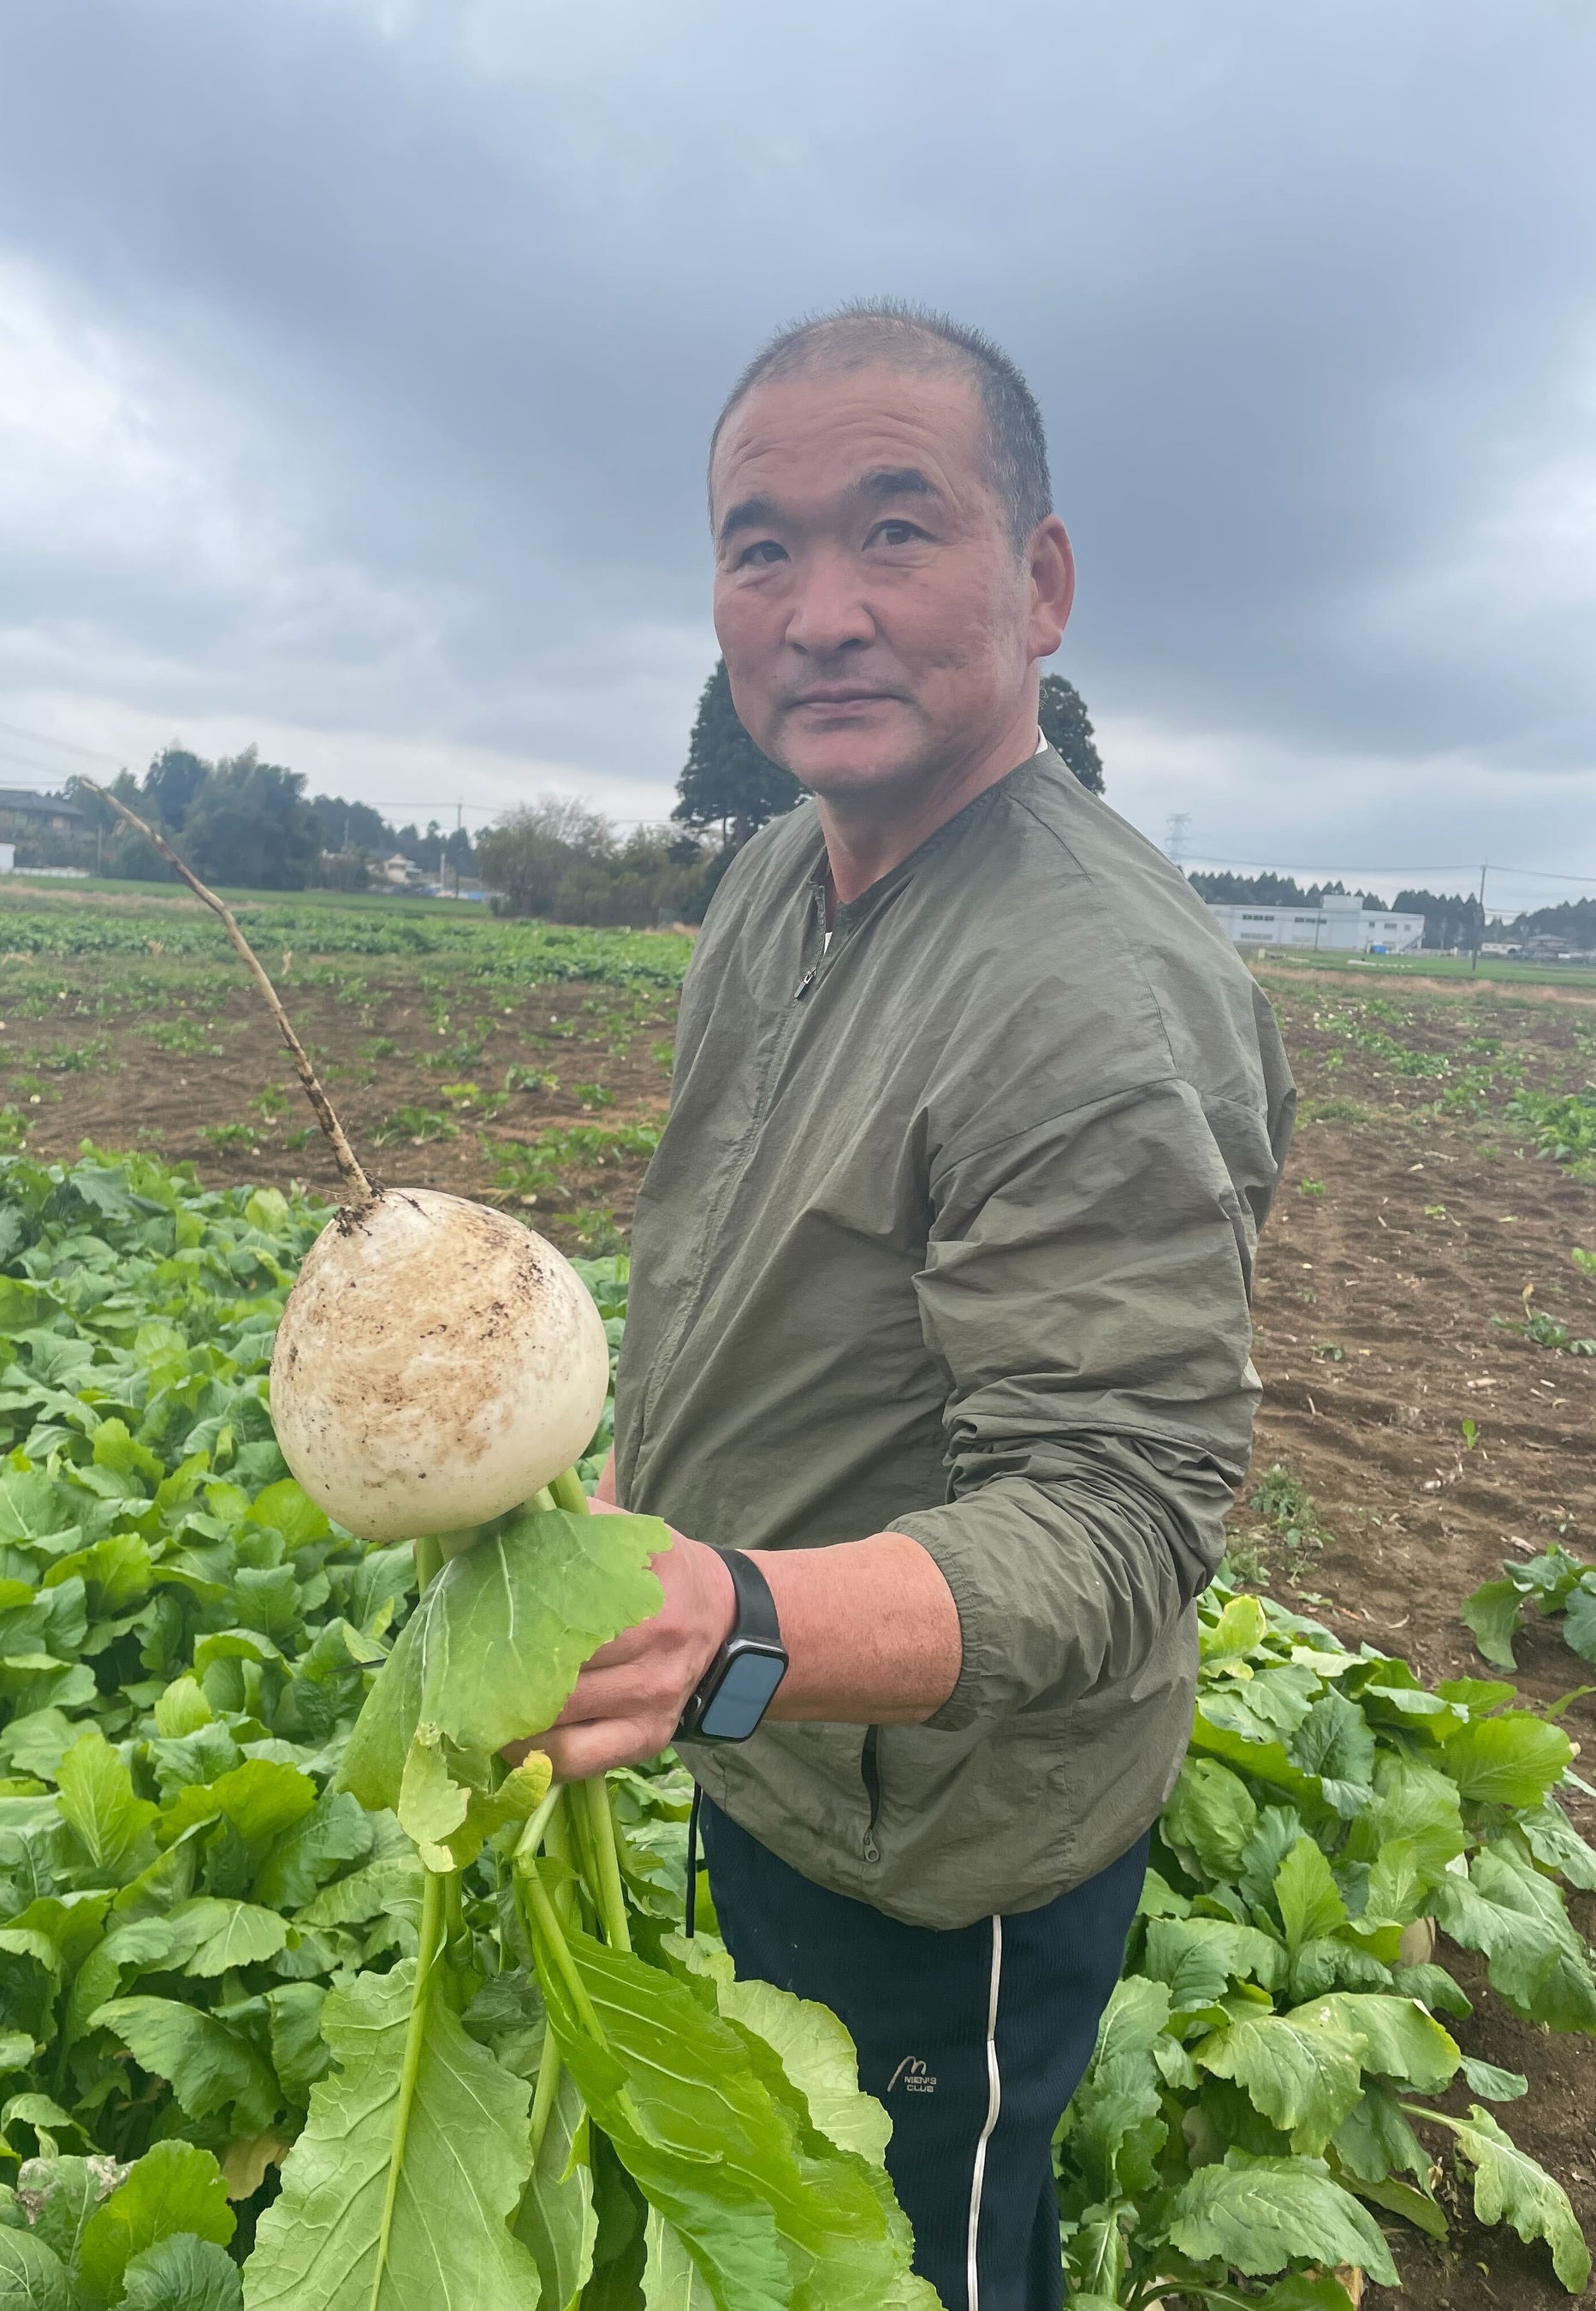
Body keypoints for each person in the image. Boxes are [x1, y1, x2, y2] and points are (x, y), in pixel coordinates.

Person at [526, 301, 1295, 2311]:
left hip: (937, 1819)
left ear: (1036, 582)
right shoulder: (782, 876)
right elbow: (727, 1259)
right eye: (757, 545)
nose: (819, 609)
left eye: (895, 529)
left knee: (917, 2254)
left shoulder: (1088, 995)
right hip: (765, 1728)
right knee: (829, 2216)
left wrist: (738, 1624)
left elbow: (1119, 1524)